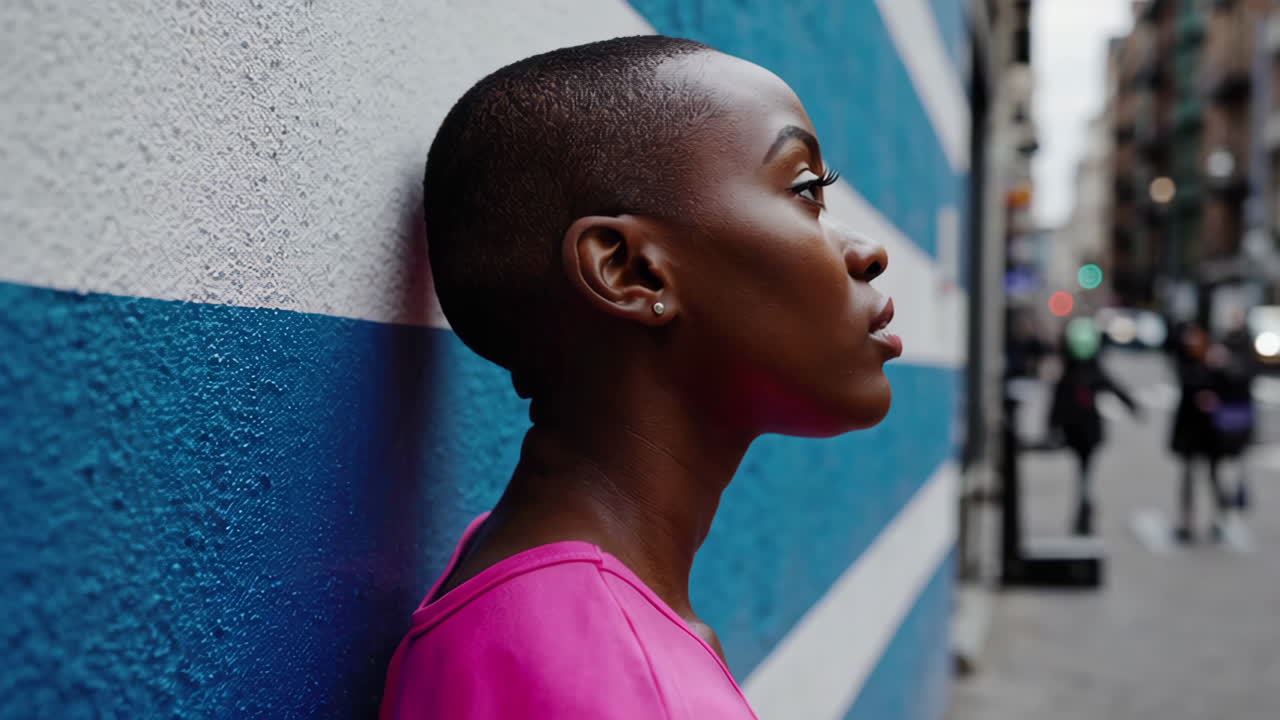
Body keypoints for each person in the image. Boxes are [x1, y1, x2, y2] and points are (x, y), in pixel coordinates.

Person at [379, 36, 901, 719]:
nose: (867, 252)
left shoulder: (535, 594)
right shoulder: (609, 681)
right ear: (630, 271)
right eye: (806, 189)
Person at [1047, 318, 1138, 535]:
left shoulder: (1072, 373)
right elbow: (1114, 388)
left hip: (1081, 431)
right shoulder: (1086, 372)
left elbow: (1057, 403)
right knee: (1085, 471)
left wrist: (1052, 426)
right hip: (1085, 431)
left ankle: (1084, 505)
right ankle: (1085, 504)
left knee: (1084, 470)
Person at [1168, 323, 1232, 542]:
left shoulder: (1216, 363)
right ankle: (1187, 521)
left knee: (1214, 476)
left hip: (1211, 432)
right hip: (1190, 430)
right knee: (1188, 477)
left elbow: (1234, 385)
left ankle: (1219, 519)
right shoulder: (1185, 362)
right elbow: (1186, 383)